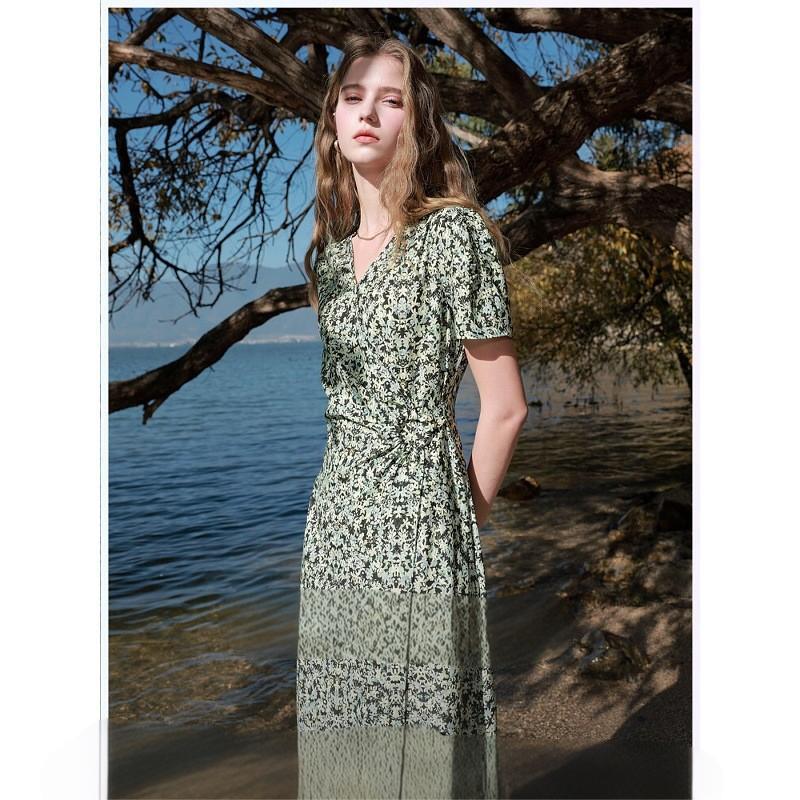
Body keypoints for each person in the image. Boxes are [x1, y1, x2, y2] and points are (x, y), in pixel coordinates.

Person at [298, 33, 528, 799]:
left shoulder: (453, 235)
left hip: (424, 523)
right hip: (334, 528)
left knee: (423, 749)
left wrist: (456, 525)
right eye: (352, 97)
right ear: (333, 119)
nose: (367, 112)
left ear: (417, 123)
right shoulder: (331, 257)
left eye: (389, 100)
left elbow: (505, 409)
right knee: (343, 739)